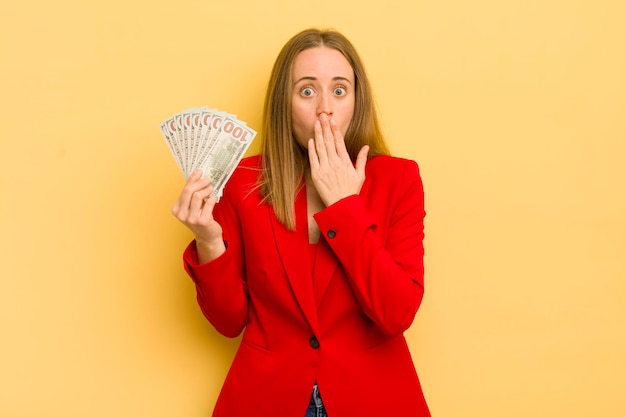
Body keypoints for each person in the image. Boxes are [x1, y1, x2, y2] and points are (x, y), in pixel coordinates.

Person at [172, 28, 431, 417]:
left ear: (356, 102)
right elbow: (229, 322)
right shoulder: (242, 182)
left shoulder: (399, 179)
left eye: (339, 90)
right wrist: (209, 239)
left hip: (372, 397)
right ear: (285, 103)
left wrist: (345, 205)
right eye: (307, 91)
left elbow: (396, 315)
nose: (324, 108)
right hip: (267, 397)